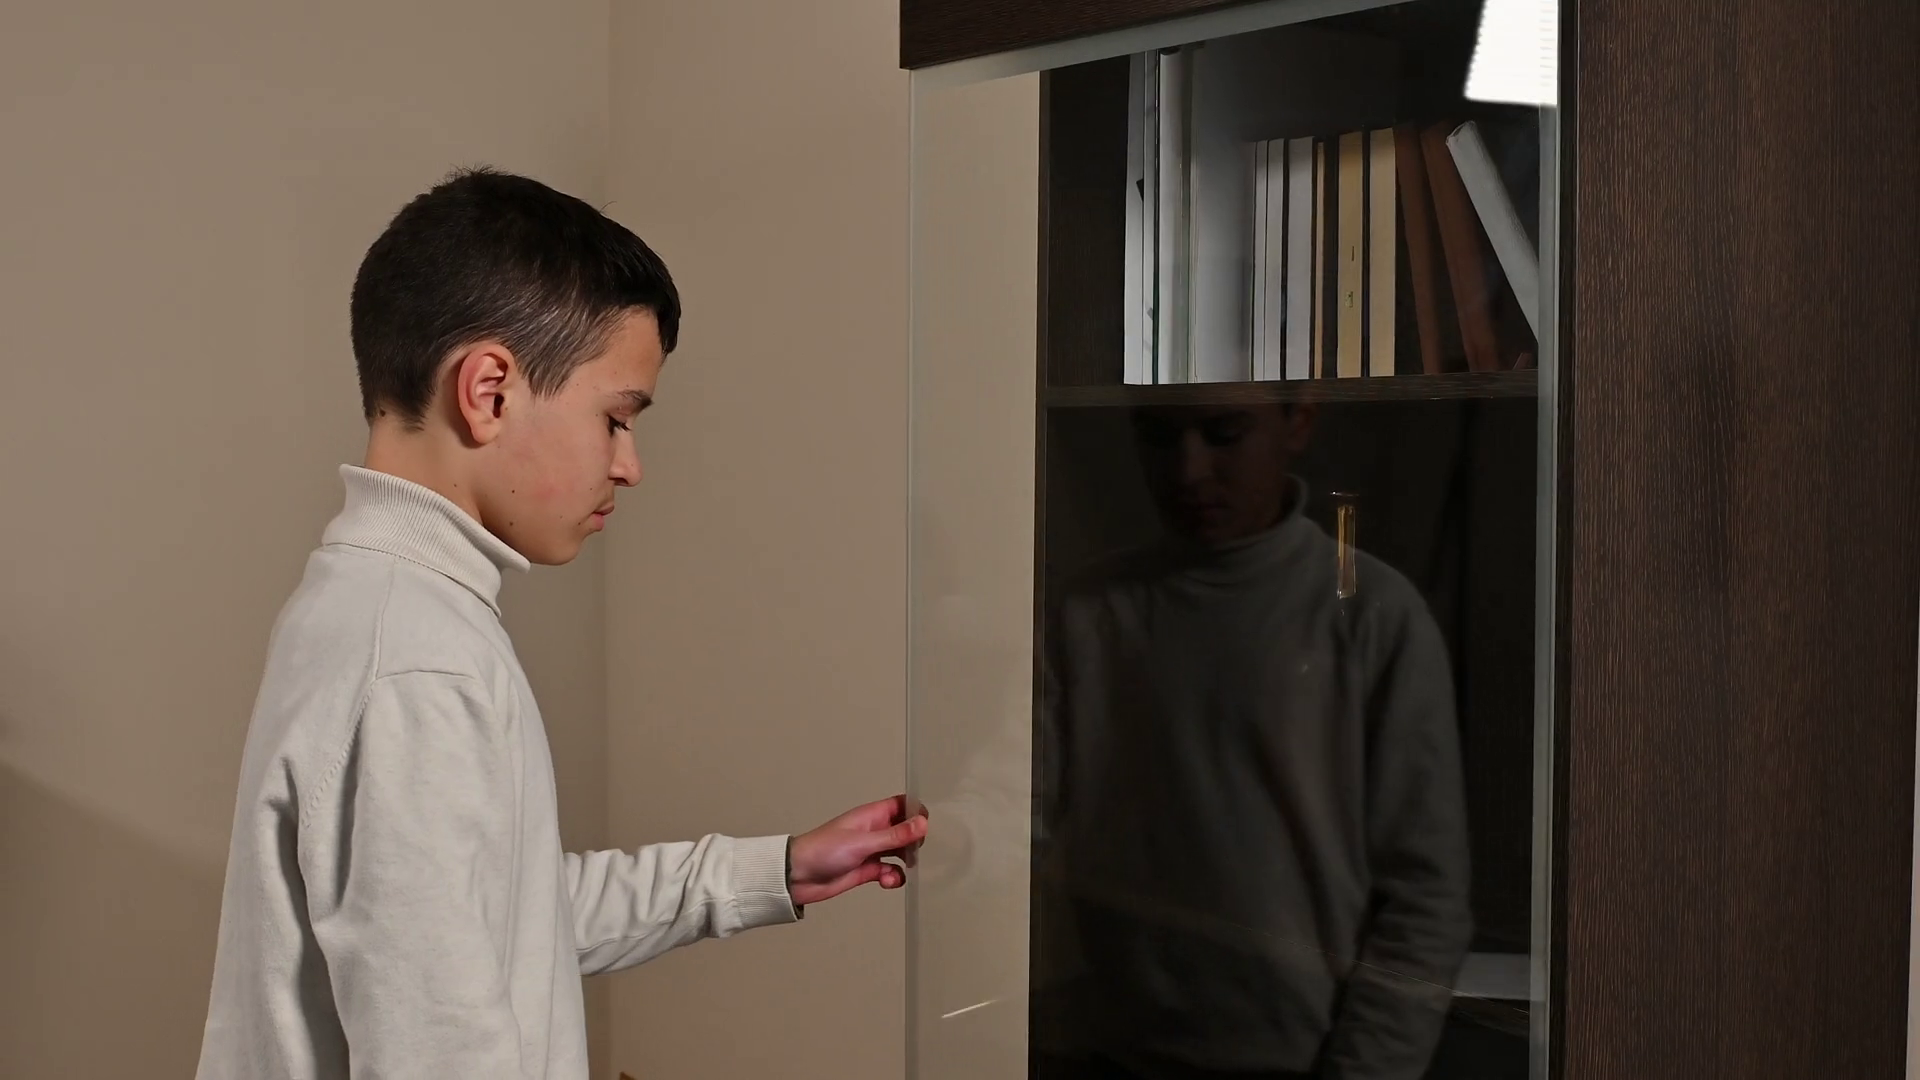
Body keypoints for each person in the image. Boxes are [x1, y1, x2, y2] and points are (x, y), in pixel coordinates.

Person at [193, 167, 928, 1080]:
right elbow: (440, 1051)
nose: (630, 465)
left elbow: (502, 920)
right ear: (489, 392)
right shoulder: (416, 666)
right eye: (616, 420)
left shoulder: (374, 610)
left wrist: (772, 870)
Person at [1030, 402, 1473, 1080]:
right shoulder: (1086, 611)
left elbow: (1425, 897)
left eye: (1225, 434)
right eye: (1160, 437)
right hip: (1102, 1054)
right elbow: (1014, 810)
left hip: (1299, 1061)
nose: (1189, 470)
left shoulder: (1375, 616)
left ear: (1297, 424)